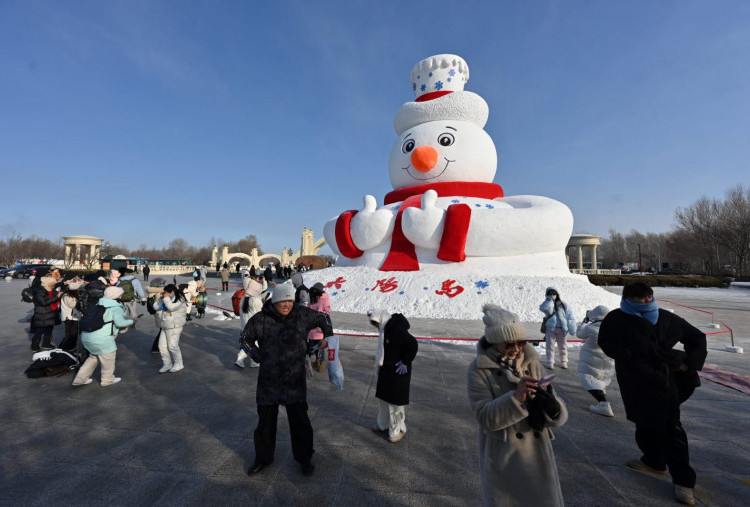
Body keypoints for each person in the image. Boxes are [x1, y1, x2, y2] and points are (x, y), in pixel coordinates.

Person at [598, 281, 707, 506]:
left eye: (649, 298)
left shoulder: (665, 318)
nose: (646, 302)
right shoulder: (616, 319)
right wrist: (627, 354)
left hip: (665, 381)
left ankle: (684, 483)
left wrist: (689, 364)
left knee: (671, 428)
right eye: (641, 299)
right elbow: (606, 342)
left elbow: (696, 337)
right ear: (628, 299)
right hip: (635, 380)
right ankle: (653, 460)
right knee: (643, 420)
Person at [467, 304, 568, 506]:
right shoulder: (479, 370)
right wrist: (516, 398)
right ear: (495, 342)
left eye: (520, 342)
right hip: (506, 453)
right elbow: (484, 417)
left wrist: (553, 407)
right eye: (508, 344)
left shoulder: (532, 363)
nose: (516, 349)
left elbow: (557, 411)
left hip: (538, 453)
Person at [240, 283, 334, 477]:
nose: (287, 304)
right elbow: (245, 339)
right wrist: (259, 357)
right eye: (283, 300)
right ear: (275, 300)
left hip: (294, 380)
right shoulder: (261, 319)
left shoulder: (301, 315)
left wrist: (327, 339)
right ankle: (263, 459)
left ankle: (304, 458)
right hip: (269, 381)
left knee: (300, 422)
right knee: (265, 422)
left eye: (290, 300)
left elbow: (324, 318)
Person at [367, 309, 418, 443]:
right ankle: (383, 424)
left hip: (397, 371)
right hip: (387, 370)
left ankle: (397, 430)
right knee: (383, 400)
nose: (376, 327)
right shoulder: (386, 329)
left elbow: (413, 344)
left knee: (394, 404)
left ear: (381, 320)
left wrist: (405, 362)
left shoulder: (395, 329)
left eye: (376, 324)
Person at [71, 286, 133, 387]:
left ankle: (79, 380)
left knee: (93, 358)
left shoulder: (98, 304)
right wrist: (132, 320)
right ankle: (107, 380)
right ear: (118, 296)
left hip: (87, 337)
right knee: (108, 360)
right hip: (102, 339)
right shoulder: (115, 308)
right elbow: (120, 323)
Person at [576, 305, 615, 417]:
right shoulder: (612, 328)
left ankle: (603, 404)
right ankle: (601, 390)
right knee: (601, 375)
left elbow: (579, 334)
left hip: (590, 358)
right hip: (607, 359)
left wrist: (584, 322)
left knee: (587, 376)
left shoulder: (590, 328)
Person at [153, 284, 188, 373]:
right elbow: (156, 307)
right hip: (165, 325)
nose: (164, 294)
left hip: (174, 326)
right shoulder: (166, 299)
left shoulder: (179, 299)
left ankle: (179, 364)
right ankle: (167, 364)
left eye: (166, 292)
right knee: (162, 346)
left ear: (172, 292)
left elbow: (171, 307)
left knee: (172, 346)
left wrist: (166, 299)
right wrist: (161, 299)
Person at [539, 286, 576, 369]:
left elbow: (570, 316)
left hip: (562, 329)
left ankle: (564, 361)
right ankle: (550, 362)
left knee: (563, 346)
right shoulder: (546, 303)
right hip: (550, 328)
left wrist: (572, 328)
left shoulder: (564, 304)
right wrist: (549, 301)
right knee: (549, 346)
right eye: (550, 294)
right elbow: (546, 310)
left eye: (554, 293)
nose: (552, 295)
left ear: (557, 294)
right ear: (547, 295)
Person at [235, 273, 264, 368]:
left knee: (246, 343)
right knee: (254, 344)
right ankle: (254, 362)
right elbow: (261, 313)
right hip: (254, 327)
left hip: (244, 324)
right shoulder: (255, 299)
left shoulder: (244, 298)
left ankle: (240, 359)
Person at [29, 276, 63, 351]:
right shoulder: (39, 291)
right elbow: (44, 302)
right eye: (52, 285)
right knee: (39, 331)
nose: (53, 287)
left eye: (54, 285)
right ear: (47, 284)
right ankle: (34, 346)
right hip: (42, 314)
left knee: (49, 329)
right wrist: (57, 297)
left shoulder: (51, 290)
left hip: (50, 314)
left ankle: (46, 343)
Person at [308, 283, 332, 372]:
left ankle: (322, 363)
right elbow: (308, 307)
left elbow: (328, 312)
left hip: (320, 327)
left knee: (321, 346)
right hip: (311, 326)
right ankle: (317, 361)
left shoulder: (325, 299)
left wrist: (320, 316)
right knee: (312, 345)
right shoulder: (312, 298)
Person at [59, 279, 84, 352]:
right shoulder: (67, 296)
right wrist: (80, 301)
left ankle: (67, 347)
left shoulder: (72, 295)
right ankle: (66, 348)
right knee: (71, 335)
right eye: (78, 289)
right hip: (70, 318)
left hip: (74, 317)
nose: (79, 290)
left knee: (73, 334)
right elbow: (72, 305)